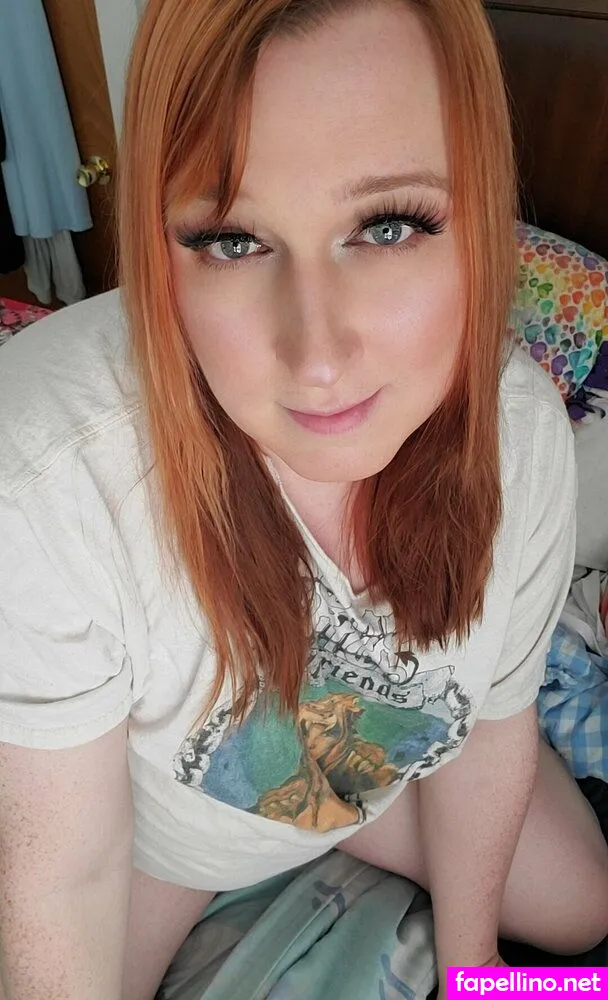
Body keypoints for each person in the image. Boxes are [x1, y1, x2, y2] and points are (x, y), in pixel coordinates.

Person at [0, 0, 606, 998]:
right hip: (159, 847)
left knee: (585, 912)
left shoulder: (522, 432)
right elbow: (62, 877)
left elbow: (494, 723)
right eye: (231, 240)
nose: (317, 359)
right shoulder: (43, 478)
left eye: (389, 225)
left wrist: (472, 971)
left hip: (387, 778)